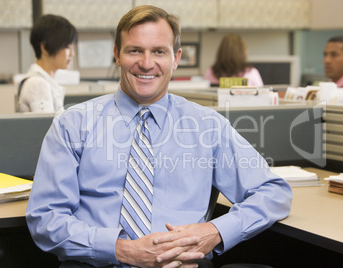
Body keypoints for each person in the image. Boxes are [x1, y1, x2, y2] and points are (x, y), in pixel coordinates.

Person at [26, 5, 292, 268]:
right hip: (96, 264)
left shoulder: (207, 127)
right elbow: (46, 218)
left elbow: (273, 192)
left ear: (175, 58)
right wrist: (122, 250)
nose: (146, 63)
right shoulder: (73, 124)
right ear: (117, 55)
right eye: (134, 50)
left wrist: (214, 232)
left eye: (159, 52)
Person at [17, 14, 77, 113]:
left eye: (72, 47)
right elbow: (46, 126)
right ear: (45, 47)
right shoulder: (38, 84)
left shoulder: (42, 80)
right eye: (67, 47)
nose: (72, 54)